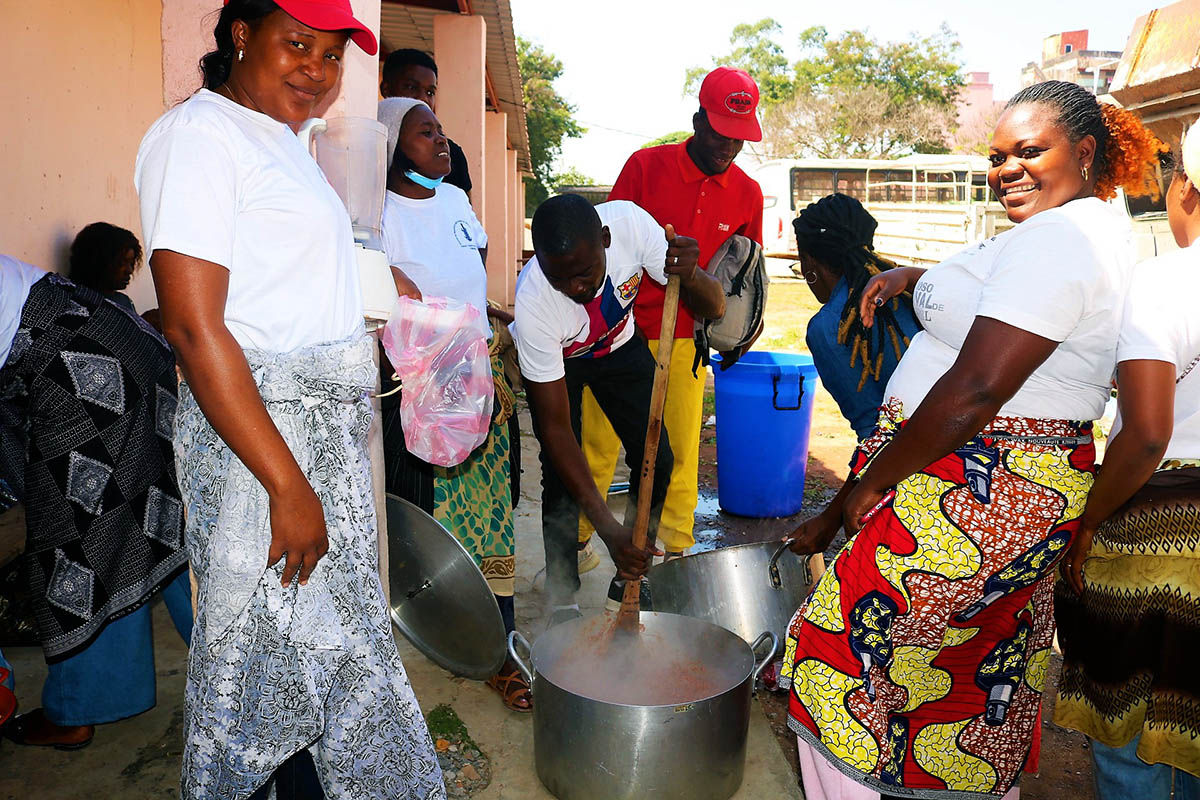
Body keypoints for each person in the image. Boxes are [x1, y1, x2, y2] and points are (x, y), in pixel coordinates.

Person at [779, 80, 1164, 800]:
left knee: (836, 659)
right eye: (997, 155)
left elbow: (979, 389)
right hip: (994, 486)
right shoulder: (1070, 227)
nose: (1007, 169)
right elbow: (1012, 304)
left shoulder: (1064, 240)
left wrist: (869, 484)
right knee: (970, 680)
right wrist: (913, 278)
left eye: (1029, 151)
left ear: (1084, 152)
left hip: (980, 489)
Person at [134, 1, 443, 797]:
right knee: (254, 672)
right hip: (266, 449)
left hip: (317, 444)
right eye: (297, 44)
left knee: (322, 662)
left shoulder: (285, 143)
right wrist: (287, 484)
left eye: (333, 54)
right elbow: (197, 331)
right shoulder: (200, 137)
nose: (317, 68)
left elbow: (277, 284)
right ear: (242, 35)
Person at [1053, 135, 1200, 799]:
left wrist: (1088, 525)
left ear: (1185, 190)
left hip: (1163, 538)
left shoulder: (1169, 280)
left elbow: (1144, 435)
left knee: (1140, 745)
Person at [0, 254, 191, 751]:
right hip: (116, 336)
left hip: (75, 364)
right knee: (154, 516)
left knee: (75, 545)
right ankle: (245, 672)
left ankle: (77, 709)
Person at [376, 96, 528, 712]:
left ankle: (498, 639)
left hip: (478, 374)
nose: (441, 142)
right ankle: (439, 629)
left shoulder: (457, 200)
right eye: (423, 133)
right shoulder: (376, 215)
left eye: (440, 130)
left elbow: (473, 264)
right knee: (425, 508)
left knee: (494, 506)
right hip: (420, 385)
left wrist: (481, 313)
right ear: (390, 149)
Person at [578, 66, 764, 567]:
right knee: (597, 443)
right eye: (721, 132)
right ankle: (576, 545)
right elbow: (606, 240)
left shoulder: (747, 193)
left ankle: (674, 555)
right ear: (699, 118)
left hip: (687, 340)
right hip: (617, 332)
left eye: (740, 138)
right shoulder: (646, 166)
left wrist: (742, 326)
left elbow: (745, 273)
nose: (728, 147)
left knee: (676, 453)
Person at [512, 194, 725, 625]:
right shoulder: (535, 302)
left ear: (605, 240)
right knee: (560, 474)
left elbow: (714, 305)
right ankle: (562, 594)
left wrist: (693, 273)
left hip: (618, 347)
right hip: (562, 364)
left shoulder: (631, 226)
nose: (576, 288)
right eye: (561, 278)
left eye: (585, 273)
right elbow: (555, 431)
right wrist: (608, 529)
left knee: (657, 459)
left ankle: (631, 569)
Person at [795, 193, 923, 441]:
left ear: (808, 261)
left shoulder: (828, 326)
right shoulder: (910, 291)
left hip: (918, 460)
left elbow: (874, 432)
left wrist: (860, 481)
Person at [380, 48, 472, 199]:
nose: (423, 98)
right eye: (411, 87)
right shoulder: (370, 148)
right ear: (386, 89)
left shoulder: (450, 154)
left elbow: (464, 217)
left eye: (430, 92)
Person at [66, 222, 142, 312]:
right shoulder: (71, 300)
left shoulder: (123, 302)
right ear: (99, 261)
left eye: (131, 263)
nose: (129, 270)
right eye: (122, 262)